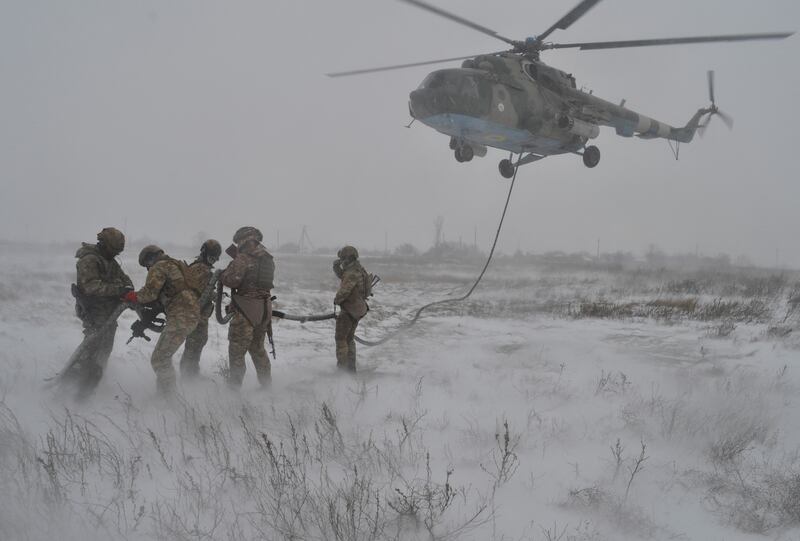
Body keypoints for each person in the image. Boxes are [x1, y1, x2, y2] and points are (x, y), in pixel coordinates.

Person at [123, 245, 200, 396]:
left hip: (180, 316)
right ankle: (165, 395)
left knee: (160, 359)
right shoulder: (178, 265)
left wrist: (131, 296)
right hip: (192, 314)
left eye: (147, 265)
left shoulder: (159, 266)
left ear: (150, 258)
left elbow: (149, 294)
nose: (148, 268)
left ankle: (168, 399)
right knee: (163, 357)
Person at [66, 227, 133, 398]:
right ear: (104, 244)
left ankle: (91, 383)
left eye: (119, 251)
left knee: (104, 351)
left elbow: (126, 281)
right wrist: (119, 290)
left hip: (108, 314)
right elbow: (90, 287)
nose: (116, 254)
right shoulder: (89, 260)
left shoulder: (110, 261)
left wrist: (127, 290)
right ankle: (75, 391)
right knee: (91, 351)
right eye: (114, 250)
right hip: (93, 312)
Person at [220, 226, 275, 388]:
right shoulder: (268, 259)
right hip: (264, 309)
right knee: (258, 350)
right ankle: (267, 387)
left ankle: (234, 391)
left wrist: (224, 274)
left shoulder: (243, 259)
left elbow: (232, 281)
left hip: (246, 310)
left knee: (237, 352)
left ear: (243, 241)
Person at [179, 239, 221, 379]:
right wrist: (215, 295)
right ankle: (187, 375)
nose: (212, 261)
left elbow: (204, 290)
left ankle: (191, 372)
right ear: (204, 253)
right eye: (211, 257)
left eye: (215, 259)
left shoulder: (204, 268)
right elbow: (199, 290)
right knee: (193, 344)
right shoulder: (199, 268)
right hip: (194, 314)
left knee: (199, 341)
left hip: (200, 314)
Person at [333, 245, 371, 372]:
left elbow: (344, 291)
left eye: (343, 259)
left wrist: (337, 300)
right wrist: (336, 267)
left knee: (341, 339)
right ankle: (350, 369)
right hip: (358, 309)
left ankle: (342, 370)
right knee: (349, 338)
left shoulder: (351, 273)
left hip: (350, 310)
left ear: (348, 258)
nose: (342, 261)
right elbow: (343, 276)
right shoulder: (359, 270)